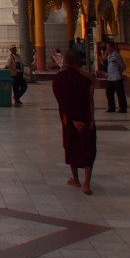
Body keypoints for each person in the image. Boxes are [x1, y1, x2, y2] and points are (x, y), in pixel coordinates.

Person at [52, 49, 96, 195]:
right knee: (88, 149)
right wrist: (91, 119)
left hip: (70, 119)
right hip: (86, 117)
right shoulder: (89, 77)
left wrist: (72, 120)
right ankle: (87, 184)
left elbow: (62, 100)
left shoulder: (61, 77)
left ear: (65, 61)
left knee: (72, 146)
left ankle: (76, 179)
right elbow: (90, 99)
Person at [103, 41, 128, 113]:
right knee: (109, 92)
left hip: (117, 77)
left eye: (108, 47)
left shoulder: (116, 56)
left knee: (120, 94)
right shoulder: (109, 56)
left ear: (112, 47)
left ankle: (123, 108)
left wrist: (119, 72)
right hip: (110, 78)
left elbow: (123, 66)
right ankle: (111, 107)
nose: (107, 48)